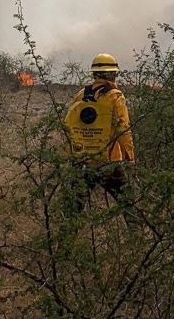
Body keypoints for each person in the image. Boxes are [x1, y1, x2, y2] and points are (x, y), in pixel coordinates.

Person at [63, 53, 139, 225]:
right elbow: (123, 130)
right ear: (112, 75)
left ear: (94, 74)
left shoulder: (81, 94)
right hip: (109, 162)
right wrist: (130, 159)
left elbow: (70, 125)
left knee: (73, 212)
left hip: (83, 162)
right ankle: (138, 243)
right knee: (129, 207)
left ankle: (63, 247)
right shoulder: (115, 96)